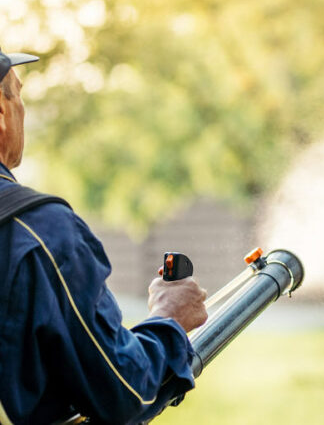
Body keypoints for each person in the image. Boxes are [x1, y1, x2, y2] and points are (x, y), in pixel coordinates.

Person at [0, 48, 209, 424]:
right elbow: (122, 390)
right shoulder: (39, 233)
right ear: (1, 113)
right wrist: (170, 317)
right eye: (19, 92)